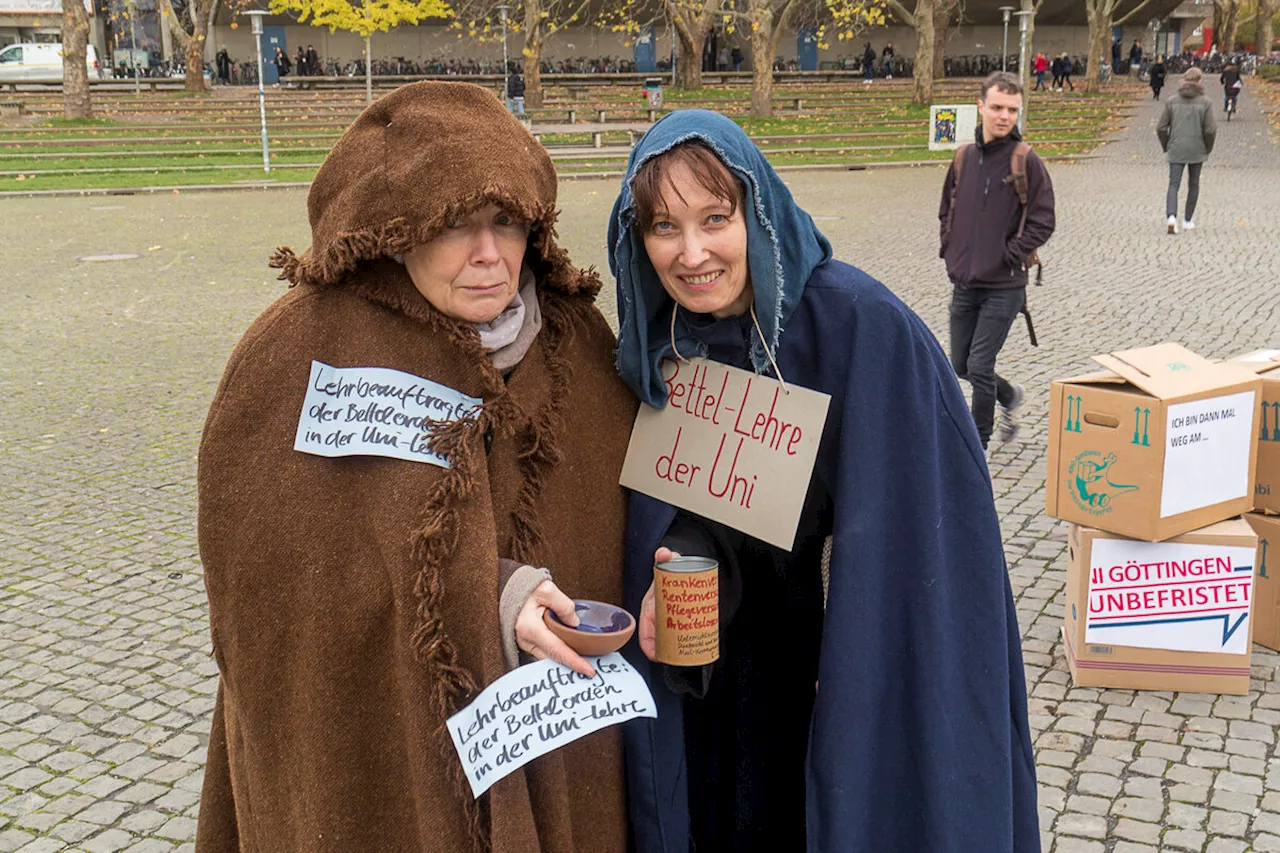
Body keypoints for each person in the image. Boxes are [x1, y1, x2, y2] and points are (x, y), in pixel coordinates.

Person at [194, 81, 635, 853]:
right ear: (398, 228)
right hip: (389, 760)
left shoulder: (579, 344)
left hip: (561, 744)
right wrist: (490, 597)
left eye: (506, 222)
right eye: (456, 224)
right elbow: (276, 591)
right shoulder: (296, 355)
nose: (490, 254)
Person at [608, 109, 1039, 852]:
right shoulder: (663, 342)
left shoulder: (863, 325)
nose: (693, 252)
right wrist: (681, 552)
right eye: (663, 227)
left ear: (759, 210)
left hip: (841, 670)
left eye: (716, 217)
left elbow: (920, 528)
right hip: (723, 698)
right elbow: (703, 502)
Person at [939, 72, 1055, 453]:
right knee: (960, 365)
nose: (1005, 116)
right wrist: (950, 248)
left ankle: (977, 446)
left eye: (1012, 110)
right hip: (965, 282)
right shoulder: (963, 158)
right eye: (997, 108)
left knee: (981, 364)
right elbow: (946, 210)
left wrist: (1012, 253)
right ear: (981, 107)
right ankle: (1010, 395)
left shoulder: (1026, 161)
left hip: (1004, 285)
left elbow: (1043, 219)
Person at [1158, 67, 1216, 233]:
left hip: (1176, 147)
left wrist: (1167, 145)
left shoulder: (1171, 101)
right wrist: (1207, 147)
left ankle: (1171, 217)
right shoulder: (1206, 102)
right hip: (1197, 148)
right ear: (1199, 81)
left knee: (1173, 184)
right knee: (1194, 184)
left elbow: (1161, 127)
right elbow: (1210, 130)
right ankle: (1188, 220)